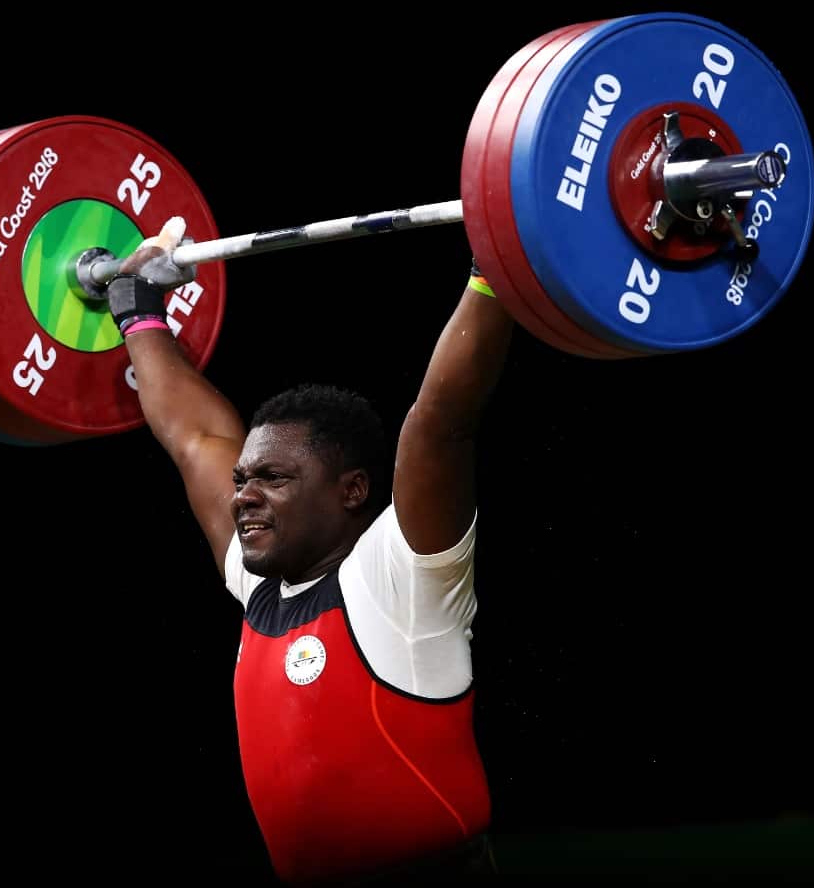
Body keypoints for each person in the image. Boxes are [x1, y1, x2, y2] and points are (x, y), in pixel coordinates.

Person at [106, 216, 514, 886]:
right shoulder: (256, 580)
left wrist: (494, 268)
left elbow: (441, 421)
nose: (243, 497)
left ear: (352, 490)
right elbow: (196, 440)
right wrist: (137, 310)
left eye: (272, 479)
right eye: (243, 481)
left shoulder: (400, 580)